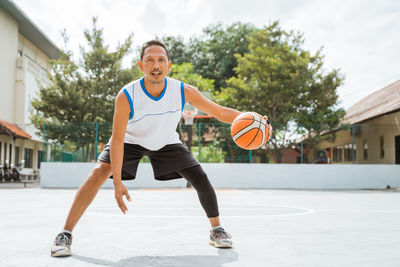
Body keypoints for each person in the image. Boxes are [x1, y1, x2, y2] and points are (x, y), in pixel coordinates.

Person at [51, 40, 272, 257]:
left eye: (161, 60)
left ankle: (217, 230)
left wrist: (253, 120)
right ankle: (65, 233)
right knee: (97, 173)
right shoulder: (127, 95)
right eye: (150, 60)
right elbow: (117, 139)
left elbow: (218, 111)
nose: (156, 65)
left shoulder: (182, 90)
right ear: (141, 65)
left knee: (199, 176)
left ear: (169, 64)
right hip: (130, 141)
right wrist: (117, 182)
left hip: (165, 141)